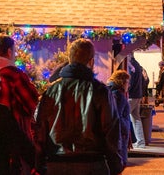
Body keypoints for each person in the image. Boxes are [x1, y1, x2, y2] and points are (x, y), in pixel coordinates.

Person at [33, 37, 124, 175]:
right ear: (91, 61)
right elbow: (110, 130)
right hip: (91, 163)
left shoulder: (51, 91)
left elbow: (40, 130)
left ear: (69, 60)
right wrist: (115, 164)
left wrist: (39, 163)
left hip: (57, 162)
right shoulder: (100, 91)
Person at [0, 34, 41, 173]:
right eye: (14, 51)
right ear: (9, 51)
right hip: (13, 141)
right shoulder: (13, 74)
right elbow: (31, 102)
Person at [107, 70, 132, 168]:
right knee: (121, 162)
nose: (128, 85)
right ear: (122, 82)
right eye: (127, 82)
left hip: (116, 131)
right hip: (120, 132)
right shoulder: (118, 95)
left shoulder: (110, 91)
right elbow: (118, 115)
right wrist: (126, 129)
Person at [127, 55, 150, 149]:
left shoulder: (130, 65)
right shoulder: (137, 65)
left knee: (124, 117)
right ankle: (140, 142)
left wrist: (127, 91)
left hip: (131, 95)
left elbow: (130, 81)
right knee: (136, 118)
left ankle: (130, 142)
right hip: (138, 95)